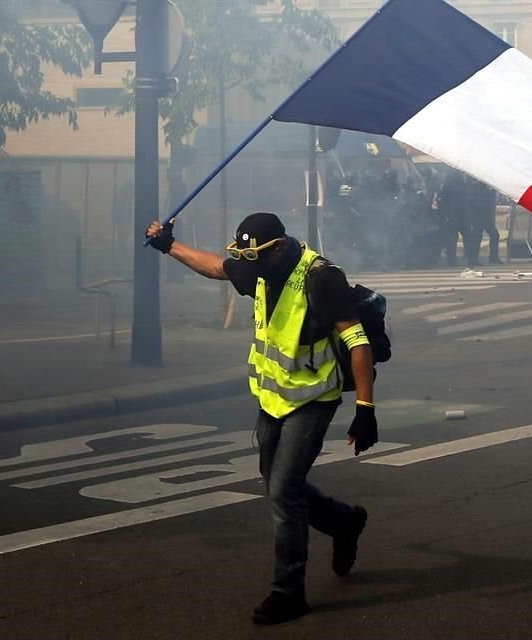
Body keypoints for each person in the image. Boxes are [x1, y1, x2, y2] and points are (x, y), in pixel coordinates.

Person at [146, 212, 378, 624]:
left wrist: (365, 408)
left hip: (313, 399)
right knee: (277, 485)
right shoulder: (258, 264)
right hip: (272, 398)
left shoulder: (321, 278)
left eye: (256, 259)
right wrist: (168, 245)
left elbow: (356, 340)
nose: (248, 268)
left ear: (281, 248)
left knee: (284, 491)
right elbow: (217, 267)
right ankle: (344, 523)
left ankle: (288, 591)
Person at [468, 179, 502, 264]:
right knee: (477, 237)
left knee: (494, 235)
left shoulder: (485, 188)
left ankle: (493, 257)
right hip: (478, 216)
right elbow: (473, 202)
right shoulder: (475, 188)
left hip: (485, 216)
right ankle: (474, 259)